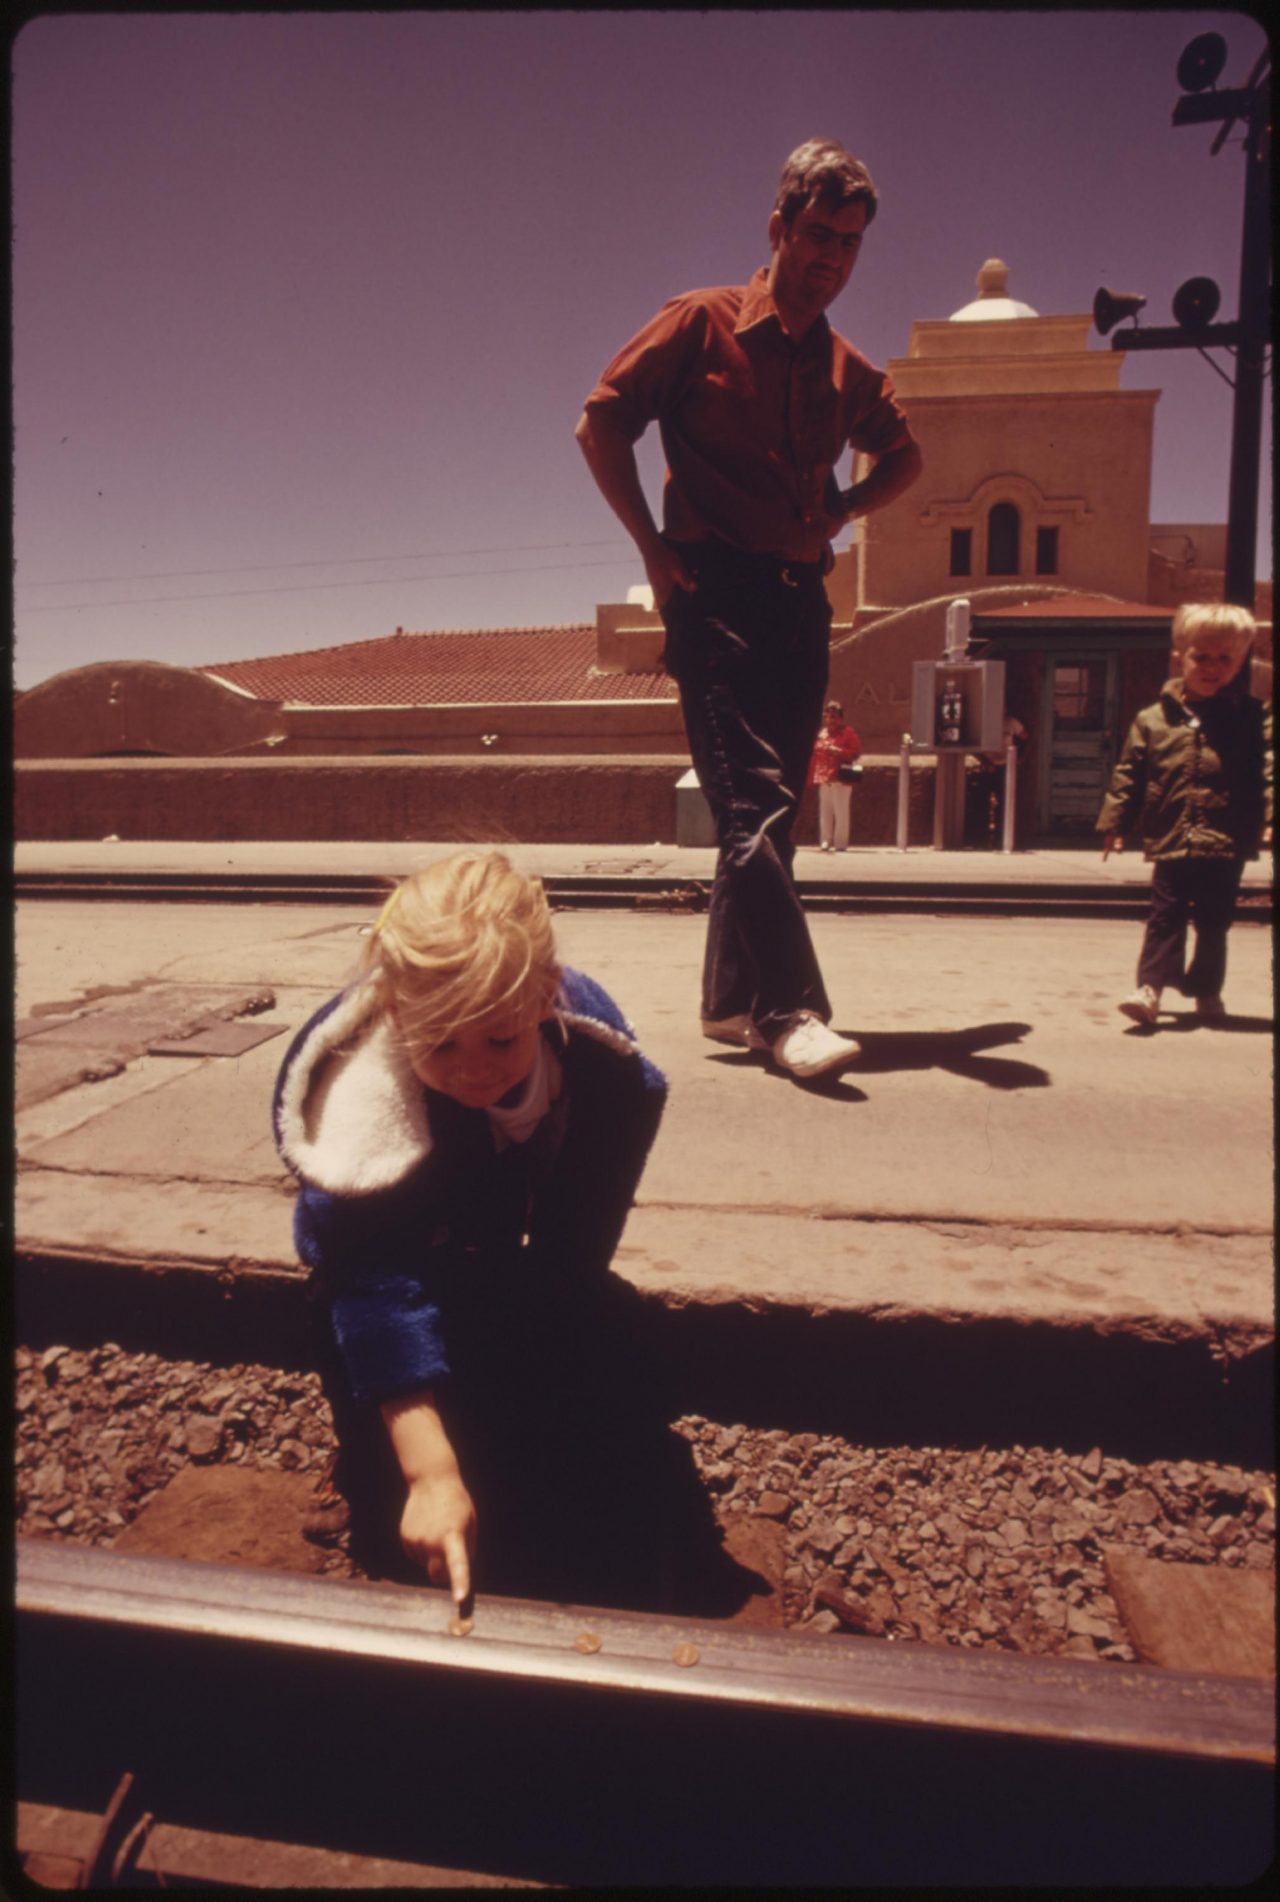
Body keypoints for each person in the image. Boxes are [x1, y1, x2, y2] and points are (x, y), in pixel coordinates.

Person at [272, 851, 746, 1615]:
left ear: (545, 997)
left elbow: (582, 1221)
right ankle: (365, 1468)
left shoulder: (597, 1061)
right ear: (397, 1016)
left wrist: (557, 1306)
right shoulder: (363, 1116)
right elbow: (375, 1286)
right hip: (382, 1255)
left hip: (485, 1227)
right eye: (440, 1046)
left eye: (499, 1040)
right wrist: (429, 1472)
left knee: (583, 1335)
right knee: (355, 1336)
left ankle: (516, 1445)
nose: (472, 1072)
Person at [576, 138, 922, 1080]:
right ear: (777, 229)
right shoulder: (700, 324)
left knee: (771, 807)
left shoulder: (846, 369)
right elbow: (601, 420)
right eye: (818, 236)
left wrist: (844, 510)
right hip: (711, 591)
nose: (831, 260)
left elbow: (906, 457)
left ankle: (730, 1001)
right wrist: (651, 547)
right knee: (753, 804)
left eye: (849, 244)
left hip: (797, 604)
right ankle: (790, 1010)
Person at [1097, 604, 1272, 1026]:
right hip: (1171, 833)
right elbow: (1129, 773)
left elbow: (1270, 766)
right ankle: (1149, 989)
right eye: (1202, 657)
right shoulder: (1153, 719)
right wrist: (1116, 824)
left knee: (1214, 922)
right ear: (1180, 658)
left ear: (1240, 662)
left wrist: (1269, 817)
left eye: (1224, 659)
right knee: (1165, 915)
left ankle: (1207, 991)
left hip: (1226, 838)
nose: (1212, 668)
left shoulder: (1252, 716)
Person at [808, 699, 862, 851]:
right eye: (828, 716)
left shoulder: (848, 733)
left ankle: (840, 843)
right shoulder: (822, 734)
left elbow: (855, 753)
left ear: (840, 718)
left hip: (841, 778)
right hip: (824, 777)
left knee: (841, 812)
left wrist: (839, 752)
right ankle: (825, 840)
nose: (831, 720)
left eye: (835, 716)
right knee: (825, 811)